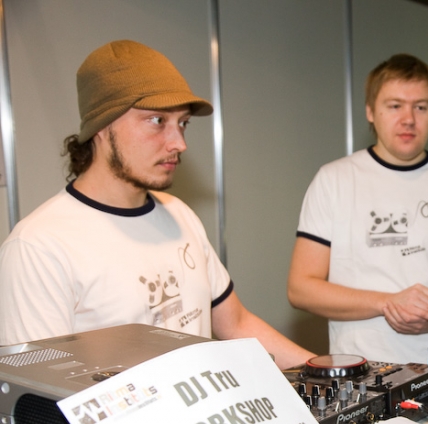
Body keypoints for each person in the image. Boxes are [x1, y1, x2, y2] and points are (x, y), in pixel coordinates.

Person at [0, 39, 314, 369]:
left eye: (183, 123)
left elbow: (236, 324)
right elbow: (37, 387)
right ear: (102, 126)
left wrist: (327, 372)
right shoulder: (38, 247)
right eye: (157, 121)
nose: (179, 143)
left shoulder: (178, 213)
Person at [287, 53, 428, 403]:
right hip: (356, 380)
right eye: (394, 106)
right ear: (370, 111)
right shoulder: (333, 180)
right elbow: (301, 289)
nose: (408, 119)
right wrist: (388, 303)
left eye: (420, 107)